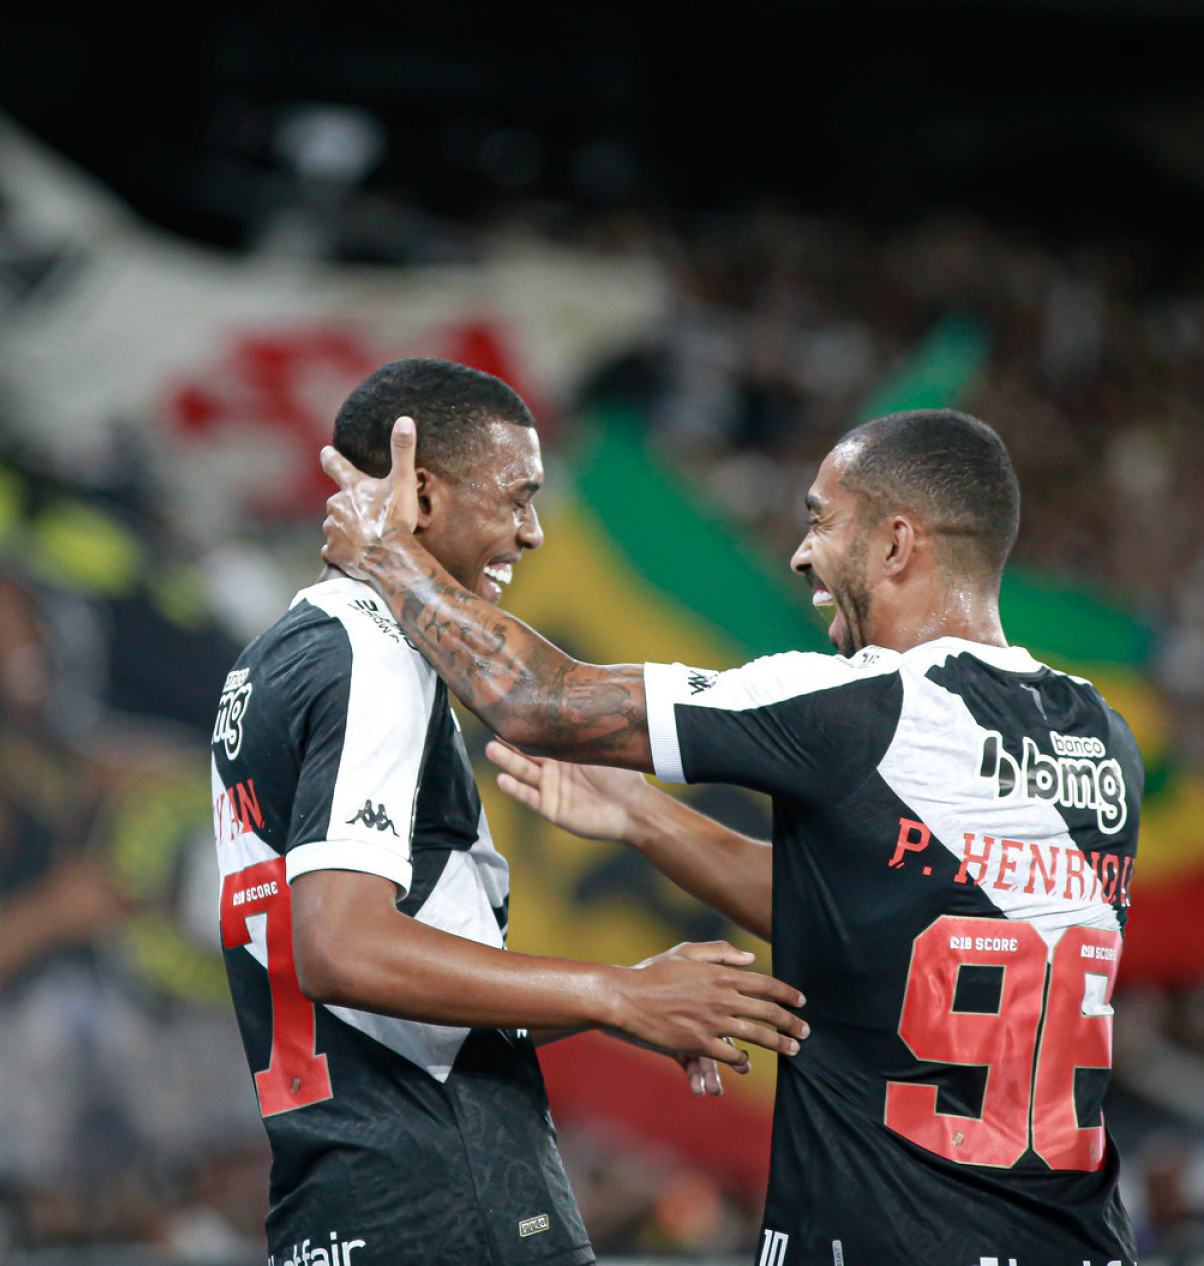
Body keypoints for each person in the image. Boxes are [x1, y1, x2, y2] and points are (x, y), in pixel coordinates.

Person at [320, 407, 1142, 1266]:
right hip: (1078, 1240)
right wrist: (645, 817)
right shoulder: (1099, 737)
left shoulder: (861, 705)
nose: (801, 555)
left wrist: (386, 551)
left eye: (822, 521)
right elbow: (889, 913)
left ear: (897, 544)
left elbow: (539, 700)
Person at [212, 357, 809, 1266]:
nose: (532, 532)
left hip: (337, 1202)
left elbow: (412, 1013)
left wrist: (631, 996)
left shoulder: (268, 663)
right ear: (421, 493)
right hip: (451, 1201)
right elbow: (343, 947)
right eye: (517, 498)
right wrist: (616, 992)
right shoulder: (375, 655)